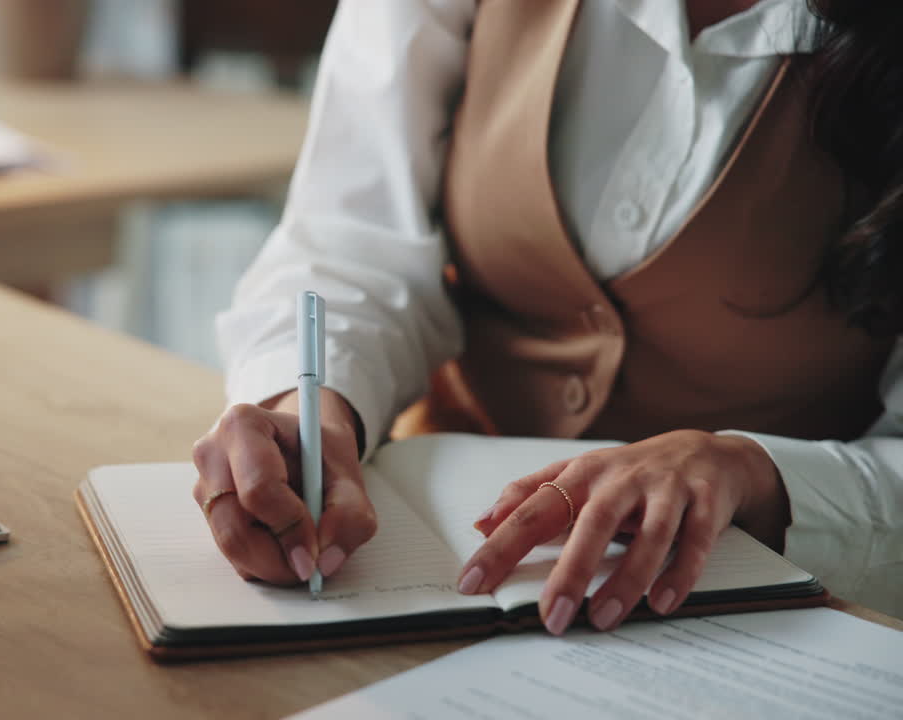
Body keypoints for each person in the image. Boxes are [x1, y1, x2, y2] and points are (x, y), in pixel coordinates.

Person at [193, 0, 903, 633]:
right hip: (432, 564)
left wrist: (753, 472)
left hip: (749, 617)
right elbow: (354, 244)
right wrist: (307, 407)